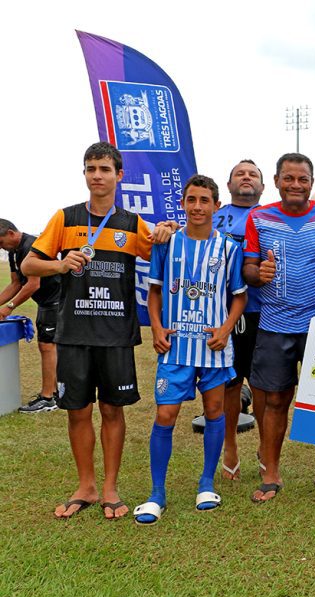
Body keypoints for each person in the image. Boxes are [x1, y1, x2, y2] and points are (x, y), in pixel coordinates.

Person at [21, 141, 175, 519]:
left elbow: (162, 251)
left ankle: (110, 488)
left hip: (115, 335)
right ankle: (86, 486)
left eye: (105, 169)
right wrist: (59, 265)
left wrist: (167, 230)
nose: (97, 176)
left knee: (111, 410)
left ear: (119, 175)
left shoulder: (131, 224)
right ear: (85, 174)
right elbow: (28, 265)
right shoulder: (65, 218)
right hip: (73, 333)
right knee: (77, 411)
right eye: (91, 169)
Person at [133, 175, 247, 524]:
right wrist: (156, 326)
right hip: (176, 346)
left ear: (215, 205)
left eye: (204, 200)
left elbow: (239, 296)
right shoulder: (166, 244)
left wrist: (227, 329)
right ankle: (157, 493)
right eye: (191, 200)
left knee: (215, 412)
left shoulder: (228, 248)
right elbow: (154, 292)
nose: (197, 207)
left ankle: (206, 484)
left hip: (213, 347)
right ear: (183, 204)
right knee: (165, 416)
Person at [244, 153, 315, 503]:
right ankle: (271, 473)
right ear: (276, 181)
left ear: (312, 183)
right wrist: (258, 274)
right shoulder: (259, 218)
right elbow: (248, 268)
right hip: (274, 324)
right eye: (288, 178)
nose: (296, 185)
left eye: (302, 179)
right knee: (275, 399)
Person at [212, 159, 265, 481]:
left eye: (253, 174)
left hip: (265, 312)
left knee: (263, 387)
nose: (246, 178)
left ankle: (265, 448)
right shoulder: (213, 218)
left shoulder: (271, 217)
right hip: (222, 314)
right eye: (239, 174)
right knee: (229, 386)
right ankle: (230, 446)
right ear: (229, 184)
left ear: (263, 185)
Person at [0, 218, 61, 413]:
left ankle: (47, 398)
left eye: (0, 243)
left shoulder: (32, 246)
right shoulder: (14, 252)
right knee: (48, 346)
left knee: (47, 346)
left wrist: (8, 308)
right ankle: (55, 393)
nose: (1, 247)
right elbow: (16, 283)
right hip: (46, 302)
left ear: (10, 233)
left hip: (57, 300)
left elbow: (33, 284)